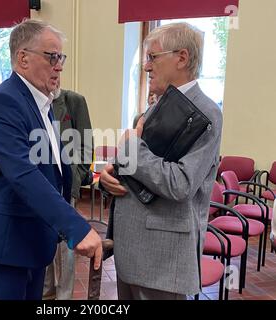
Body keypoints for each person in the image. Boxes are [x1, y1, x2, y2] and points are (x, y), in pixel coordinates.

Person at [0, 19, 102, 300]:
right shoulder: (5, 101)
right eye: (52, 56)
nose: (59, 65)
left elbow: (52, 167)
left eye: (61, 57)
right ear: (23, 58)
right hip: (9, 242)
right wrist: (76, 227)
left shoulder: (43, 103)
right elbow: (23, 174)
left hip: (33, 238)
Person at [100, 22, 223, 300]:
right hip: (131, 251)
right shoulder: (153, 109)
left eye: (152, 57)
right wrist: (111, 176)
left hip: (163, 260)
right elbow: (138, 168)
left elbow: (180, 184)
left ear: (181, 57)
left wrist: (131, 146)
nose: (146, 66)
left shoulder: (207, 113)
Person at [43, 80, 93, 300]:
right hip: (40, 186)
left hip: (65, 185)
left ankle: (64, 297)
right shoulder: (32, 103)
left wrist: (77, 178)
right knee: (43, 240)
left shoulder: (74, 101)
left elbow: (86, 144)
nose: (54, 75)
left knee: (65, 247)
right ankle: (46, 293)